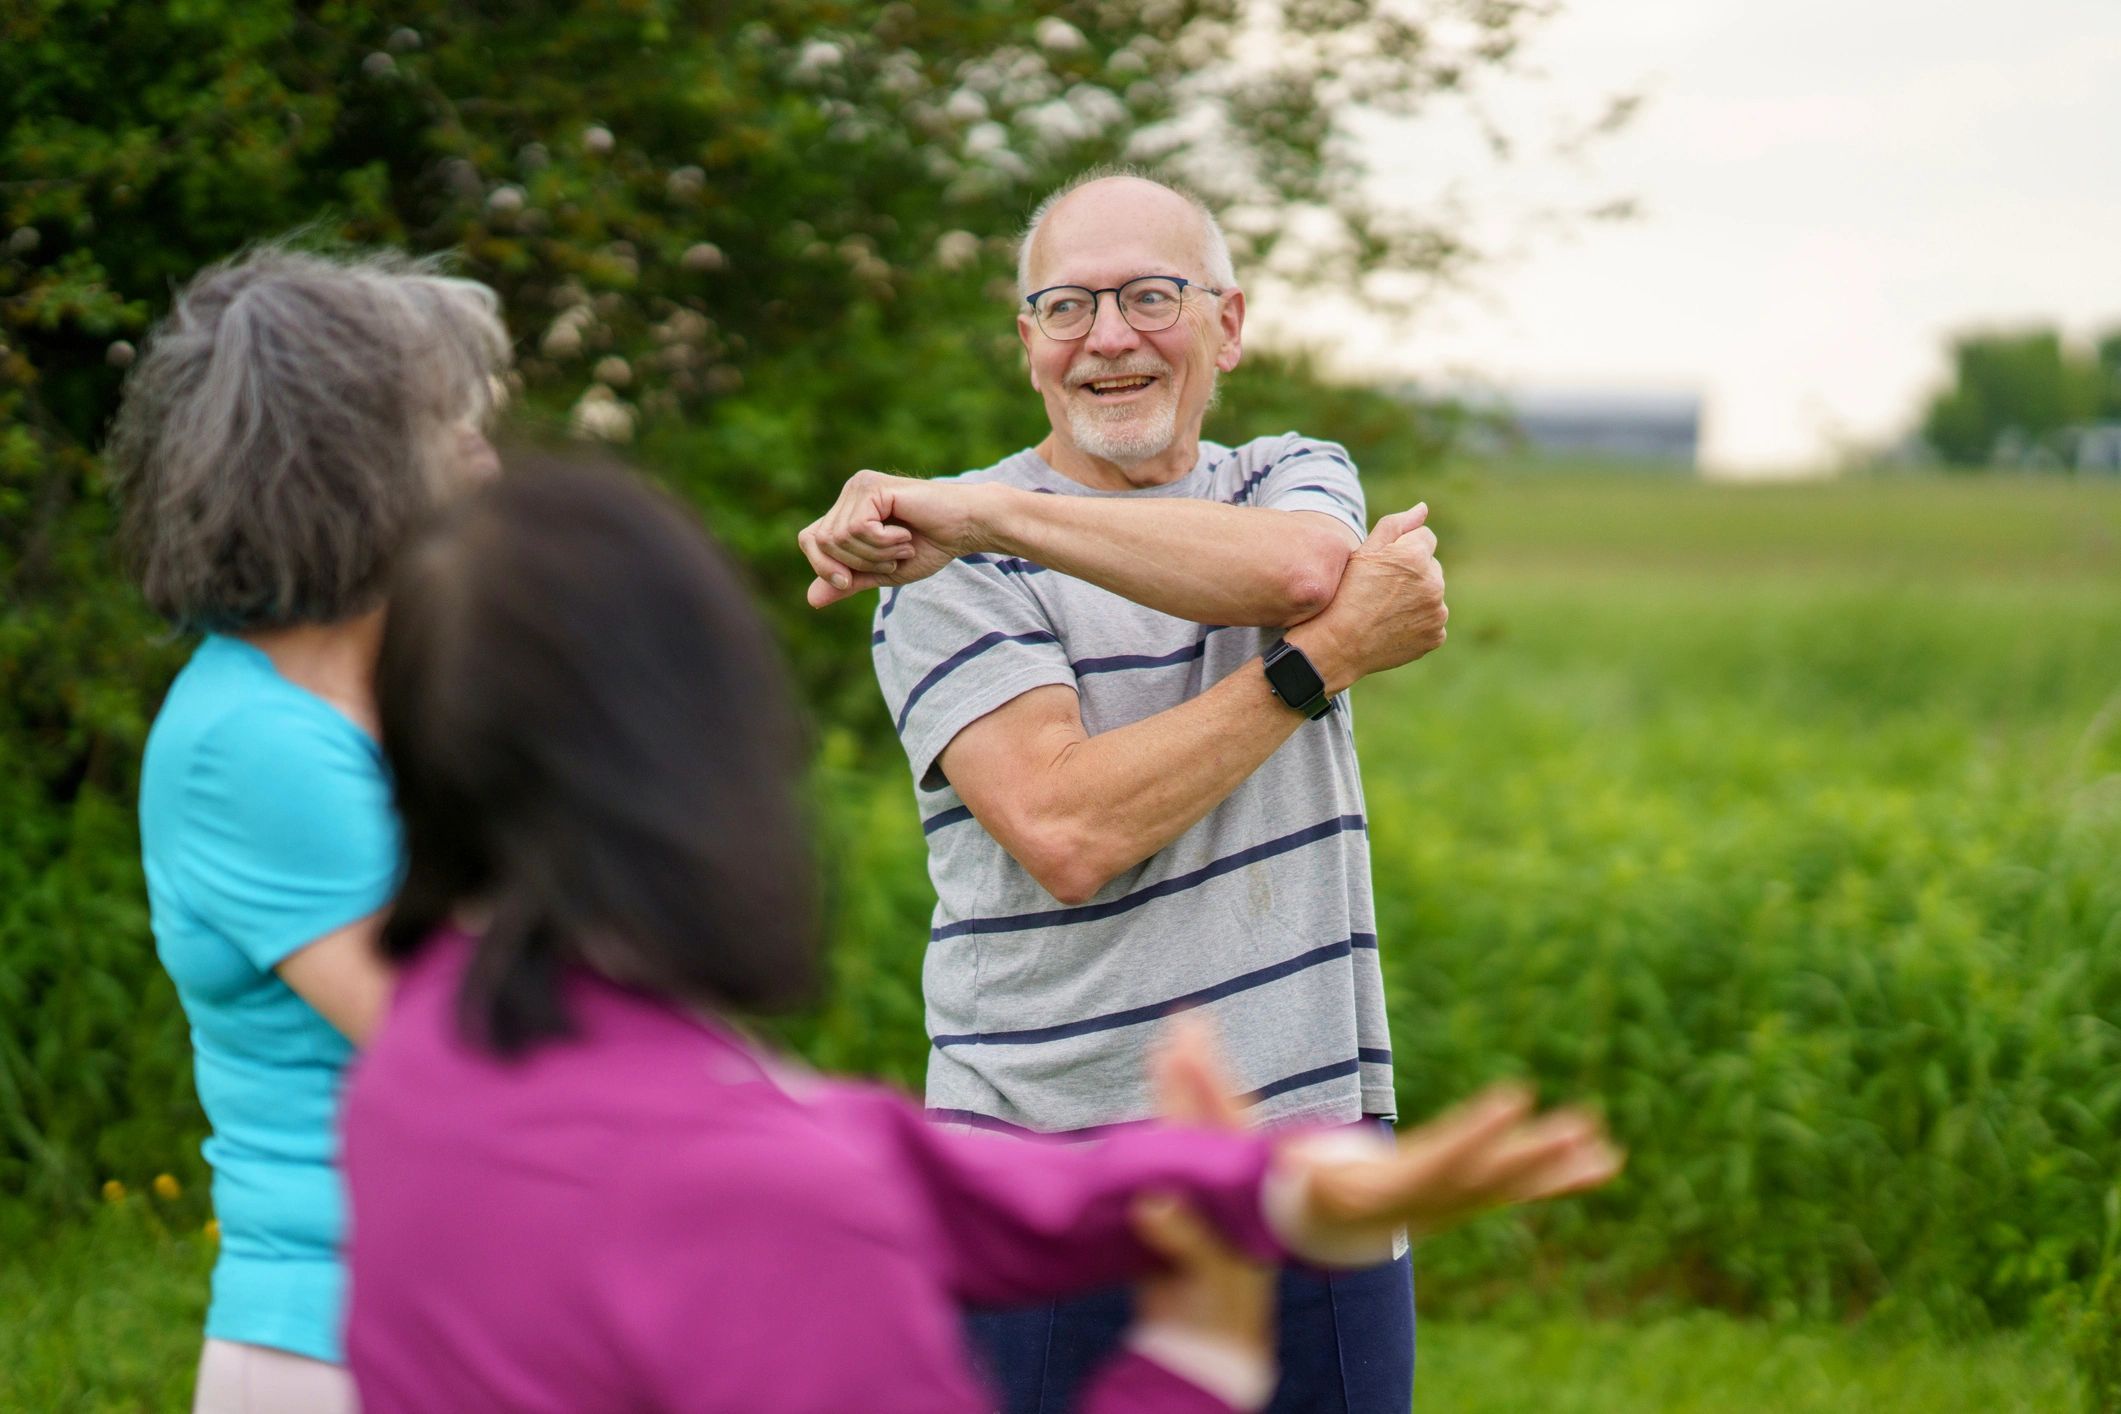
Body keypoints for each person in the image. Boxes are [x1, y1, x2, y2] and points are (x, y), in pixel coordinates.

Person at [342, 458, 1617, 1413]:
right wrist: (1201, 1343)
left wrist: (1261, 1183)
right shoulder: (762, 1203)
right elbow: (818, 1177)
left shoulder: (419, 1069)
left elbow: (894, 1166)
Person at [796, 169, 1446, 1408]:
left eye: (1151, 297)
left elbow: (1309, 566)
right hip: (1047, 1173)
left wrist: (994, 511)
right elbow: (1068, 827)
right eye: (1065, 307)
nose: (1109, 339)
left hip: (1309, 1149)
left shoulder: (1285, 476)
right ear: (1028, 343)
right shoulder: (941, 571)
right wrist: (1325, 664)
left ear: (1228, 325)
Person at [110, 244, 509, 1412]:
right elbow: (484, 1036)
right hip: (346, 1342)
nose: (489, 456)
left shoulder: (398, 697)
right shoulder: (252, 745)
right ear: (350, 465)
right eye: (452, 422)